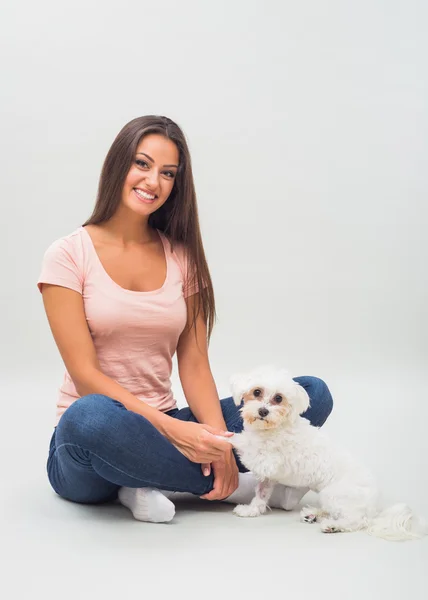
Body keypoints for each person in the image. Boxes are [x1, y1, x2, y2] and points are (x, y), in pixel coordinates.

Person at [38, 115, 333, 523]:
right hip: (93, 443)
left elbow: (193, 362)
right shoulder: (68, 255)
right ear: (117, 165)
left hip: (170, 424)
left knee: (311, 393)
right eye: (142, 164)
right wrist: (188, 437)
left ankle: (144, 481)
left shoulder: (181, 256)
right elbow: (85, 374)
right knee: (89, 416)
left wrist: (213, 438)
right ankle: (233, 485)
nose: (153, 181)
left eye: (168, 173)